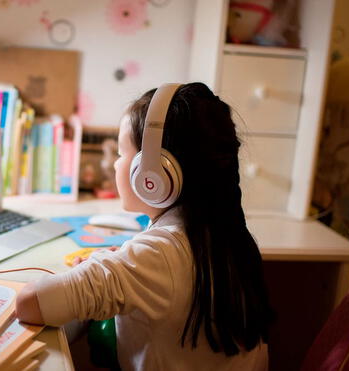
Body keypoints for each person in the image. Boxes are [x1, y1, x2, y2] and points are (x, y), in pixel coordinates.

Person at [16, 83, 273, 370]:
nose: (115, 165)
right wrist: (122, 264)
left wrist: (110, 266)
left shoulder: (157, 255)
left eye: (122, 153)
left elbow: (29, 303)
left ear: (153, 174)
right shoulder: (227, 236)